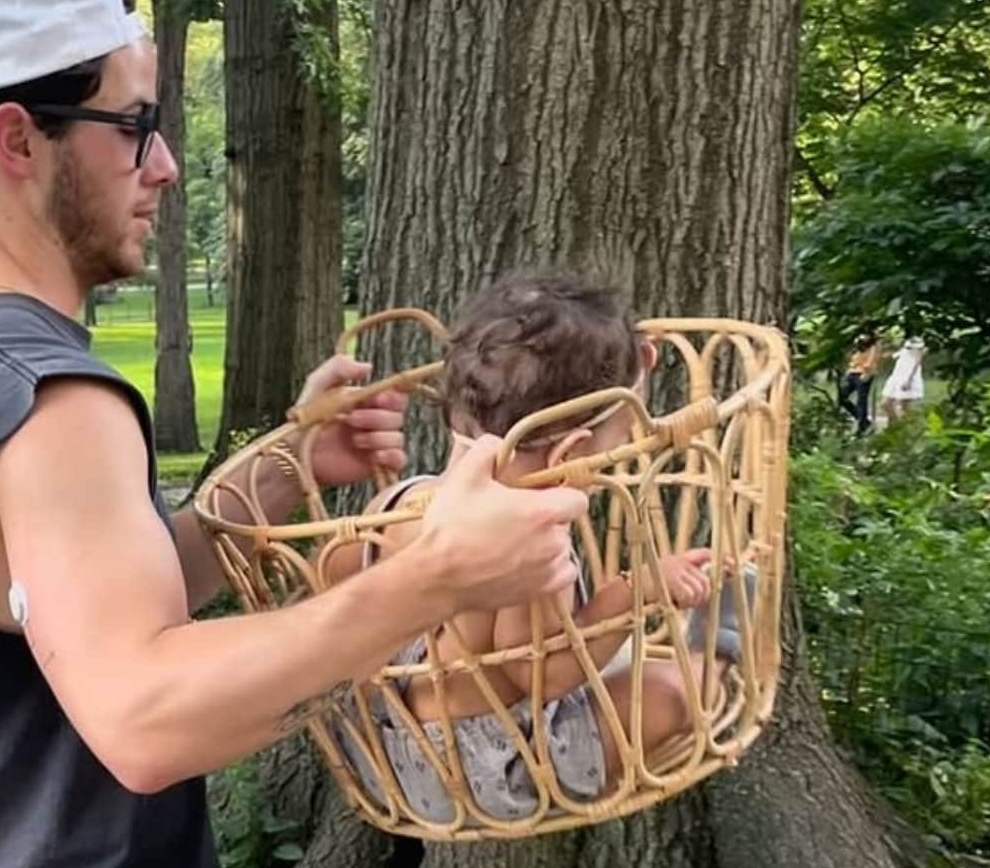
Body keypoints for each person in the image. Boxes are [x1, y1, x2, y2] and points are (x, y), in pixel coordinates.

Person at [0, 0, 589, 868]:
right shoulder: (54, 400)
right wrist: (438, 580)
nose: (166, 165)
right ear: (17, 138)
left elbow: (84, 611)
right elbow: (145, 719)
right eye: (136, 124)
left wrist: (283, 466)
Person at [319, 274, 746, 824]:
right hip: (490, 772)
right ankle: (719, 652)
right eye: (614, 448)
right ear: (571, 451)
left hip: (381, 752)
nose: (613, 461)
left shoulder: (403, 505)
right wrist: (636, 593)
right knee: (671, 692)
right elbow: (543, 678)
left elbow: (332, 570)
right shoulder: (525, 546)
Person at [839, 330, 881, 435]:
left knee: (861, 400)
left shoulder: (874, 346)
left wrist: (867, 373)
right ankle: (863, 420)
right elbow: (853, 358)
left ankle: (862, 427)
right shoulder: (858, 343)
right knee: (842, 397)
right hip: (852, 372)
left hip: (864, 373)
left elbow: (871, 361)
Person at [881, 335, 927, 423]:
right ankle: (895, 424)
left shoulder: (917, 342)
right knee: (885, 403)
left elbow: (917, 361)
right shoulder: (904, 342)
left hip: (907, 377)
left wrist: (909, 380)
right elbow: (895, 354)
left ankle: (906, 429)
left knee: (904, 407)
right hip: (896, 375)